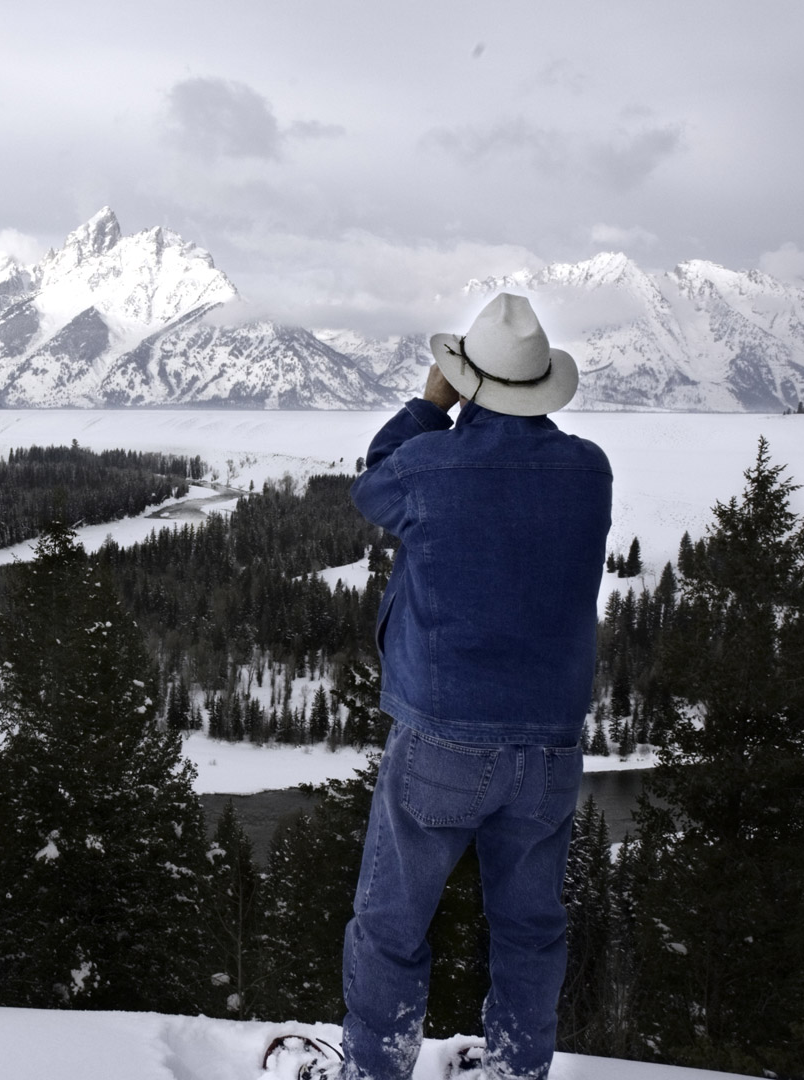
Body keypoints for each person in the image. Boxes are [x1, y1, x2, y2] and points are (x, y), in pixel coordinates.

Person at [324, 293, 612, 1080]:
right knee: (529, 928)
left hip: (443, 738)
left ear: (468, 380)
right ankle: (519, 1070)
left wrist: (428, 404)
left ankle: (373, 1071)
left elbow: (372, 483)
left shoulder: (429, 465)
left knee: (391, 924)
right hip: (550, 747)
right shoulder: (589, 469)